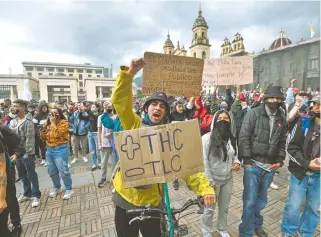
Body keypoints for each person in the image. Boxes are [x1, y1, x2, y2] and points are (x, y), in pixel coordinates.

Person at [111, 58, 216, 237]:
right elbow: (120, 101)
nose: (157, 108)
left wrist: (205, 188)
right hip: (124, 199)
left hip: (152, 203)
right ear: (146, 109)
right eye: (154, 104)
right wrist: (129, 74)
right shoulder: (133, 124)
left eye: (162, 106)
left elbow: (186, 166)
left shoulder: (169, 135)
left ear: (165, 113)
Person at [238, 86, 287, 237]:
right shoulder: (254, 113)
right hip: (253, 164)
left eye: (278, 98)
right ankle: (246, 232)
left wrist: (280, 161)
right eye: (272, 98)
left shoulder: (281, 117)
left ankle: (256, 225)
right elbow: (244, 136)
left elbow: (282, 141)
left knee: (261, 202)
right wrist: (246, 160)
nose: (275, 101)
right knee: (250, 202)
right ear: (266, 99)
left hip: (270, 167)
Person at [281, 95, 320, 237]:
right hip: (299, 174)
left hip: (319, 178)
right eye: (315, 103)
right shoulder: (304, 123)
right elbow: (291, 148)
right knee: (293, 206)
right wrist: (307, 163)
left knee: (314, 209)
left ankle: (305, 233)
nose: (316, 106)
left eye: (320, 104)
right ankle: (289, 232)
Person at [201, 110, 240, 237]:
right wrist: (209, 181)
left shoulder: (231, 137)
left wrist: (236, 162)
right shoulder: (207, 138)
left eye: (226, 119)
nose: (223, 121)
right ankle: (206, 231)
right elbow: (204, 161)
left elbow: (234, 154)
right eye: (220, 118)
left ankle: (222, 228)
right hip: (213, 181)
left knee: (224, 208)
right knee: (209, 209)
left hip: (228, 179)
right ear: (214, 121)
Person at [12, 99, 41, 208]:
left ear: (23, 108)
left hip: (26, 154)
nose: (14, 108)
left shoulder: (28, 121)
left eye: (16, 106)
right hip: (17, 154)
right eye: (13, 106)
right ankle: (27, 193)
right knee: (22, 175)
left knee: (31, 174)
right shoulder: (13, 121)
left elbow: (30, 139)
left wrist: (27, 153)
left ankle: (36, 195)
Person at [40, 107, 73, 200]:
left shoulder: (64, 123)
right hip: (49, 149)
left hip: (61, 149)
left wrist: (53, 123)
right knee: (51, 171)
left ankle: (69, 189)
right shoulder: (48, 124)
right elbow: (43, 138)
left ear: (59, 114)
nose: (53, 115)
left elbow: (59, 134)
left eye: (55, 113)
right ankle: (57, 187)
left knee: (63, 170)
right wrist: (43, 131)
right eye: (51, 113)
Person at [0, 125, 24, 237]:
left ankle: (16, 224)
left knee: (9, 198)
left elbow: (18, 141)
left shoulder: (3, 130)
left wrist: (16, 154)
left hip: (5, 171)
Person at [97, 101, 115, 188]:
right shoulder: (101, 117)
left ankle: (115, 177)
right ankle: (103, 178)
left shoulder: (116, 117)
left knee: (115, 162)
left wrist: (111, 134)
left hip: (115, 144)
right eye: (106, 106)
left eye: (110, 106)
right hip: (105, 144)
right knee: (104, 162)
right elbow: (99, 131)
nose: (108, 107)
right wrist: (99, 143)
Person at [33, 100, 49, 165]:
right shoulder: (36, 116)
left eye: (46, 107)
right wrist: (40, 131)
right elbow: (34, 127)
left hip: (49, 134)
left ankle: (48, 159)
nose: (45, 109)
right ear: (40, 108)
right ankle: (43, 158)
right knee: (42, 147)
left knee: (48, 147)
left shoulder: (49, 114)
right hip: (40, 134)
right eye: (43, 108)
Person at [87, 103, 101, 170]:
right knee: (92, 149)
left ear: (97, 108)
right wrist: (80, 112)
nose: (92, 108)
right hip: (90, 134)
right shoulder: (90, 115)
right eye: (91, 107)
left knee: (98, 150)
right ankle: (94, 164)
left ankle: (100, 162)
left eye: (93, 107)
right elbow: (82, 117)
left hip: (96, 134)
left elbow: (93, 115)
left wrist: (86, 109)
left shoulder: (98, 115)